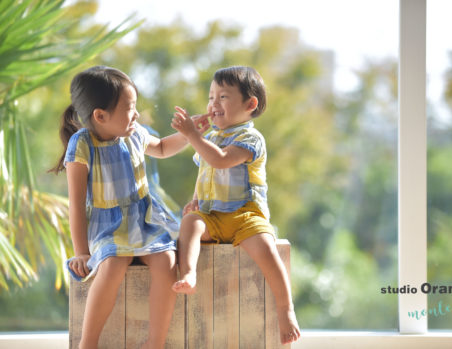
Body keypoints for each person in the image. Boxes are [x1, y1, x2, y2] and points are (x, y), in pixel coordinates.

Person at [49, 66, 208, 349]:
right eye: (129, 107)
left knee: (167, 262)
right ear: (100, 116)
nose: (136, 114)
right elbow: (76, 204)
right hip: (108, 224)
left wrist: (189, 134)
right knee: (112, 265)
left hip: (144, 217)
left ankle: (154, 342)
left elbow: (160, 148)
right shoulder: (83, 144)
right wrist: (82, 251)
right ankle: (88, 343)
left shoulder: (135, 133)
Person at [170, 66, 301, 344]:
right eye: (210, 96)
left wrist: (193, 136)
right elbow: (205, 169)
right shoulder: (211, 138)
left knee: (267, 251)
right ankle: (190, 274)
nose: (213, 104)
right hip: (213, 215)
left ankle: (285, 309)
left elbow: (220, 160)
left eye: (223, 97)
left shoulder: (250, 138)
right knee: (190, 224)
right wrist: (196, 200)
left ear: (249, 104)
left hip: (245, 215)